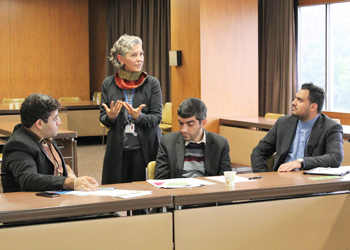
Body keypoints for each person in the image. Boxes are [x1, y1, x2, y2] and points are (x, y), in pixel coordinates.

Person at [1, 93, 99, 193]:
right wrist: (70, 183)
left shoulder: (44, 135)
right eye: (55, 119)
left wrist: (72, 177)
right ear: (39, 124)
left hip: (53, 197)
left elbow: (54, 166)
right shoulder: (18, 145)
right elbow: (29, 179)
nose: (59, 122)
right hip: (29, 204)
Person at [100, 34, 162, 184]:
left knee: (143, 197)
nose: (140, 59)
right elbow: (103, 118)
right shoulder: (109, 83)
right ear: (120, 59)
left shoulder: (152, 83)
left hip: (145, 147)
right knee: (113, 194)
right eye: (133, 55)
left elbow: (157, 117)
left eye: (141, 54)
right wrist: (112, 117)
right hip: (118, 148)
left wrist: (138, 117)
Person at [251, 83, 344, 173]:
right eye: (295, 98)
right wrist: (263, 177)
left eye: (300, 100)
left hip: (310, 181)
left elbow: (335, 157)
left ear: (313, 107)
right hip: (281, 179)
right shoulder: (283, 123)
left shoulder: (331, 127)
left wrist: (301, 162)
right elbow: (259, 151)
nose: (293, 102)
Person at [154, 97, 232, 179]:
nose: (183, 130)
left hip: (207, 190)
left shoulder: (220, 144)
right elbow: (161, 180)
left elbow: (225, 180)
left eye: (190, 124)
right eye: (180, 123)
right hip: (178, 190)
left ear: (203, 123)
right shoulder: (167, 142)